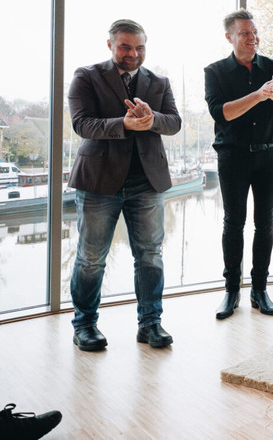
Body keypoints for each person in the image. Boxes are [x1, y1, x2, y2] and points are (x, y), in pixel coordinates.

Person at [69, 19, 182, 351]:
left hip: (146, 181)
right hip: (98, 182)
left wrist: (152, 119)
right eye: (125, 47)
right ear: (110, 45)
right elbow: (82, 124)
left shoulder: (159, 82)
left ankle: (150, 324)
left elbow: (174, 122)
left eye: (140, 47)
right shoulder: (86, 76)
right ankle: (84, 326)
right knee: (91, 258)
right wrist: (125, 124)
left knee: (150, 256)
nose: (133, 54)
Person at [204, 9, 273, 319]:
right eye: (245, 32)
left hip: (269, 155)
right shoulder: (215, 71)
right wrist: (258, 95)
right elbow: (222, 113)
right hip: (233, 156)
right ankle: (231, 291)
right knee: (234, 223)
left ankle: (260, 290)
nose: (253, 37)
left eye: (255, 32)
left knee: (265, 223)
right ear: (229, 37)